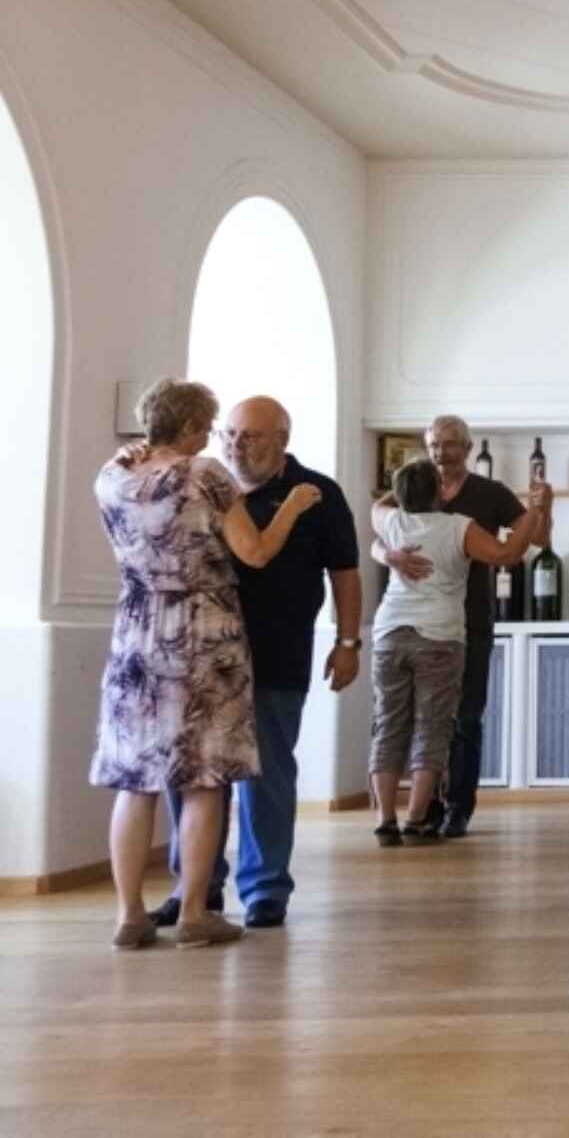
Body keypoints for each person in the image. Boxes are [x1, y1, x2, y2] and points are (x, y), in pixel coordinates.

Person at [90, 379, 319, 950]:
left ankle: (129, 915)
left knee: (135, 783)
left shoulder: (112, 476)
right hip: (202, 635)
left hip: (137, 633)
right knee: (204, 779)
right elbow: (256, 552)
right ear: (192, 427)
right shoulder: (206, 475)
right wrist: (292, 507)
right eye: (209, 427)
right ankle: (195, 914)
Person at [151, 396, 361, 931]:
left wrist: (348, 642)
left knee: (266, 775)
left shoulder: (318, 494)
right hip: (202, 655)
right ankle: (195, 889)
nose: (236, 444)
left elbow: (345, 572)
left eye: (250, 435)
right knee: (195, 775)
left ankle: (265, 889)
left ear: (282, 440)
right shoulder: (203, 485)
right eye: (230, 434)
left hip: (277, 654)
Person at [375, 414, 550, 836]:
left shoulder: (490, 493)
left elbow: (538, 540)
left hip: (468, 623)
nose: (441, 453)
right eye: (434, 445)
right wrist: (386, 556)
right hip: (428, 628)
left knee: (463, 720)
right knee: (422, 723)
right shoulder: (417, 493)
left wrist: (541, 511)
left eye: (450, 444)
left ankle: (454, 807)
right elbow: (375, 524)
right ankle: (423, 813)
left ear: (468, 448)